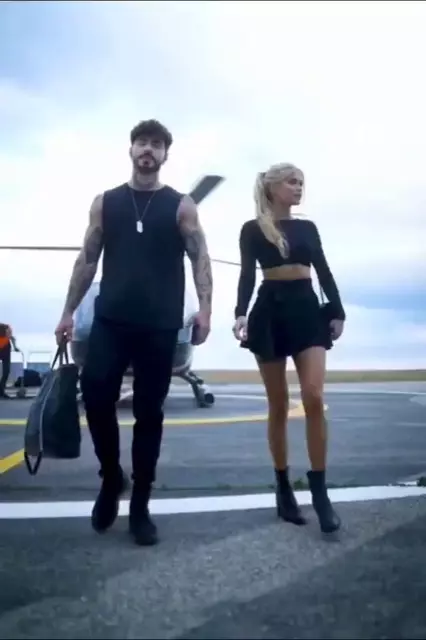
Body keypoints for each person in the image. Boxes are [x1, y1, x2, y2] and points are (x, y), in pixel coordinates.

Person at [54, 119, 213, 546]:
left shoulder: (181, 206)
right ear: (130, 149)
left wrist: (205, 310)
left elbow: (200, 258)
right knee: (96, 396)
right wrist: (68, 311)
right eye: (142, 142)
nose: (148, 149)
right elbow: (87, 259)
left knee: (149, 412)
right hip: (111, 320)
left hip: (160, 324)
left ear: (165, 154)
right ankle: (111, 478)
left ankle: (141, 501)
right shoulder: (105, 203)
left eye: (156, 144)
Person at [232, 163, 345, 534]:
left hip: (307, 309)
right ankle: (283, 488)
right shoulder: (252, 229)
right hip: (270, 311)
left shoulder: (307, 228)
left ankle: (320, 492)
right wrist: (239, 313)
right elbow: (247, 274)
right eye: (292, 182)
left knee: (313, 396)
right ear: (273, 187)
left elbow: (323, 270)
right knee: (278, 404)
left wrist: (337, 310)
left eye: (301, 183)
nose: (298, 188)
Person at [0, 323, 19, 399]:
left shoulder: (6, 328)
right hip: (3, 348)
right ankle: (1, 391)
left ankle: (1, 391)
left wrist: (15, 347)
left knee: (6, 371)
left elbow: (12, 338)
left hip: (6, 349)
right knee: (6, 371)